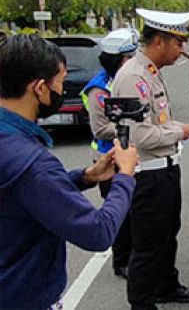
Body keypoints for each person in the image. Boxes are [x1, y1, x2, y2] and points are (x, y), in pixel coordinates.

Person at [0, 34, 139, 309]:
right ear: (40, 88)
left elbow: (25, 195)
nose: (62, 90)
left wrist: (86, 176)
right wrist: (125, 175)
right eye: (61, 81)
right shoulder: (32, 163)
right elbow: (98, 232)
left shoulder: (12, 143)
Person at [112, 8, 189, 309]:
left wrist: (177, 129)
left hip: (164, 172)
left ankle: (166, 285)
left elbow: (158, 123)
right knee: (147, 245)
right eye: (178, 43)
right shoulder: (133, 77)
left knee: (167, 235)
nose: (182, 50)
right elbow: (141, 137)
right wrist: (182, 132)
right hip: (147, 175)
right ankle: (142, 303)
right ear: (160, 41)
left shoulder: (150, 72)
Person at [80, 27, 139, 279]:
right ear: (119, 59)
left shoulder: (126, 78)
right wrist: (136, 126)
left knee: (135, 211)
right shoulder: (99, 88)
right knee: (120, 214)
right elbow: (101, 128)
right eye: (130, 56)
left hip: (128, 155)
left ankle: (133, 255)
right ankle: (121, 261)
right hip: (108, 160)